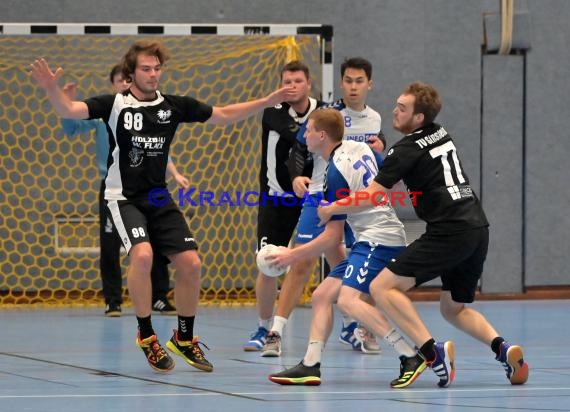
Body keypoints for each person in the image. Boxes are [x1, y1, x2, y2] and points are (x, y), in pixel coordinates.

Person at [30, 40, 296, 373]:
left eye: (157, 68)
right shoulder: (114, 105)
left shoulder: (173, 106)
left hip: (158, 197)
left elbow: (224, 116)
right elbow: (69, 111)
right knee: (142, 255)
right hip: (123, 197)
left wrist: (267, 101)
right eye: (146, 68)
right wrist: (52, 89)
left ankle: (184, 339)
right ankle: (146, 336)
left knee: (191, 264)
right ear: (131, 73)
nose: (153, 74)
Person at [318, 81, 529, 388]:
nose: (395, 110)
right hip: (477, 227)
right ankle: (503, 349)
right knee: (452, 307)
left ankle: (433, 352)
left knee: (382, 287)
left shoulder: (403, 150)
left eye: (402, 108)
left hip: (449, 230)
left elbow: (372, 196)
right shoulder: (439, 131)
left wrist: (331, 208)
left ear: (418, 118)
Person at [264, 108, 422, 386]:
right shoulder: (359, 147)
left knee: (349, 300)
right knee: (322, 295)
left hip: (379, 241)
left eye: (309, 129)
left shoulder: (334, 174)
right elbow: (389, 177)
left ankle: (408, 355)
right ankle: (310, 364)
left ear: (322, 136)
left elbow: (330, 238)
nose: (305, 135)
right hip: (375, 237)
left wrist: (291, 254)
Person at [261, 57, 384, 357]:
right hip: (322, 195)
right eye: (348, 81)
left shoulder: (376, 119)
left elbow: (370, 161)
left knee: (359, 263)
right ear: (341, 83)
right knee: (302, 262)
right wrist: (295, 176)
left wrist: (381, 148)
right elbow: (300, 148)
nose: (353, 87)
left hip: (358, 202)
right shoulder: (327, 113)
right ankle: (275, 331)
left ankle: (357, 327)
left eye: (359, 81)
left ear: (369, 84)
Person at [61, 64, 181, 317]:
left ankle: (158, 297)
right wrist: (67, 102)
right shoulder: (103, 114)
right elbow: (71, 128)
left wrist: (175, 173)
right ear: (114, 85)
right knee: (110, 242)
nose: (126, 84)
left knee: (155, 242)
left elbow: (160, 149)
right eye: (120, 80)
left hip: (149, 186)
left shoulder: (149, 113)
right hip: (115, 189)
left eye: (129, 80)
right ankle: (113, 300)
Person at [243, 60, 324, 351]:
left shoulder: (325, 112)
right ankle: (263, 327)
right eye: (286, 81)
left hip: (312, 201)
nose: (291, 86)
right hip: (275, 199)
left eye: (297, 81)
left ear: (308, 84)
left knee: (313, 261)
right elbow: (301, 138)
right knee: (268, 263)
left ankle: (351, 323)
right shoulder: (273, 113)